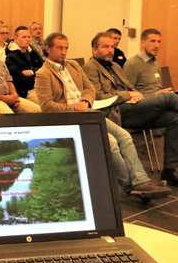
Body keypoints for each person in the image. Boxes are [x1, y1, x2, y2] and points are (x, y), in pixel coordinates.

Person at [35, 32, 170, 199]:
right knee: (111, 142)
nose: (64, 52)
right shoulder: (43, 74)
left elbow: (89, 89)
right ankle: (131, 186)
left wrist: (85, 102)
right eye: (59, 48)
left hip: (87, 111)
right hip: (68, 117)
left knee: (125, 136)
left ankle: (140, 182)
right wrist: (73, 108)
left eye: (66, 48)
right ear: (48, 49)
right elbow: (46, 106)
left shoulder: (73, 66)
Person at [83, 31, 178, 185]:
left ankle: (169, 171)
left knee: (174, 118)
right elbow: (99, 98)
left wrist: (139, 95)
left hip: (134, 108)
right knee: (168, 98)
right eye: (105, 47)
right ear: (94, 50)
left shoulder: (114, 66)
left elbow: (133, 89)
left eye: (112, 47)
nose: (110, 50)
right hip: (117, 111)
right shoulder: (90, 68)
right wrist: (127, 95)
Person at [123, 28, 175, 97]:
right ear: (143, 43)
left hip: (159, 101)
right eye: (152, 41)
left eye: (159, 42)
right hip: (143, 104)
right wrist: (155, 95)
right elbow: (126, 93)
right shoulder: (132, 64)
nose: (157, 45)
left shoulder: (156, 63)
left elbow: (157, 88)